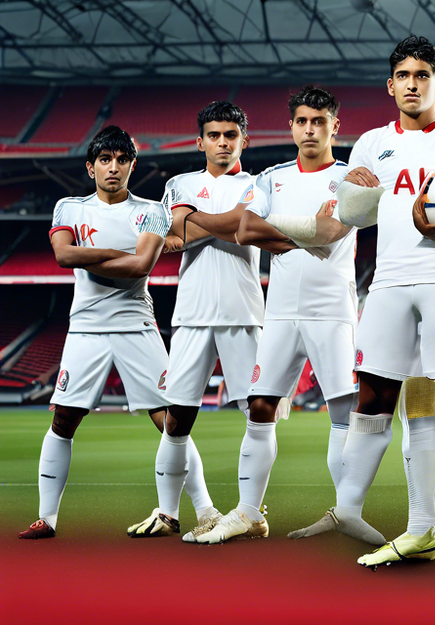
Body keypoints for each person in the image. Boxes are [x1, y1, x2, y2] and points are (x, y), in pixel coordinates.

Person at [331, 35, 435, 571]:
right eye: (403, 75)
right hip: (389, 282)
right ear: (390, 85)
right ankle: (407, 526)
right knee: (376, 400)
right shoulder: (368, 145)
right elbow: (353, 216)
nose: (411, 84)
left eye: (422, 75)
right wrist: (350, 195)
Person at [185, 86, 368, 544]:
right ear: (291, 127)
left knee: (343, 414)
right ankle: (249, 512)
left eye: (319, 121)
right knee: (260, 406)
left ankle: (347, 511)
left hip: (333, 311)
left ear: (334, 127)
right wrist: (309, 231)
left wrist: (287, 228)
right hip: (281, 312)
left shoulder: (353, 178)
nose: (310, 130)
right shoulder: (271, 177)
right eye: (303, 121)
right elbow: (247, 229)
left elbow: (332, 233)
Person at [20, 127, 177, 539]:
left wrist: (96, 258)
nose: (113, 167)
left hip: (137, 326)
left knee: (171, 422)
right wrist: (117, 255)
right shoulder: (68, 208)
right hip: (86, 328)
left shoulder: (151, 211)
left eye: (121, 160)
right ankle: (47, 519)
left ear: (132, 166)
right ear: (90, 167)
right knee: (64, 420)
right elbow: (61, 255)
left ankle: (199, 510)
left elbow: (140, 267)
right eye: (105, 160)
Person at [131, 101, 263, 539]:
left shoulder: (258, 183)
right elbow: (183, 234)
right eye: (214, 135)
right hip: (190, 315)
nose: (222, 142)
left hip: (243, 312)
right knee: (176, 419)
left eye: (230, 135)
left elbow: (208, 229)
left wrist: (195, 222)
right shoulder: (180, 182)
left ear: (244, 139)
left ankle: (249, 512)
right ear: (200, 140)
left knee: (257, 414)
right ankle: (168, 513)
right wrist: (230, 223)